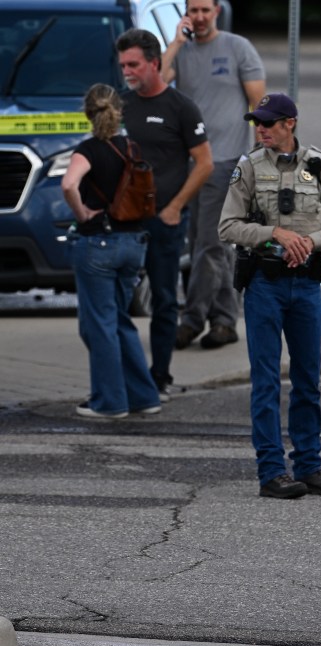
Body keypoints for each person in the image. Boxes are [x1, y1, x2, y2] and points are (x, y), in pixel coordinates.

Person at [218, 93, 321, 498]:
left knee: (308, 380)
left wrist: (310, 242)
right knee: (265, 382)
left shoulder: (318, 165)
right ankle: (271, 472)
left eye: (268, 122)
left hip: (307, 284)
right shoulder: (249, 167)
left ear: (289, 124)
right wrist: (274, 234)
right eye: (257, 123)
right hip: (265, 284)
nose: (260, 129)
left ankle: (309, 466)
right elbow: (227, 226)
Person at [161, 0, 266, 351]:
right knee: (204, 245)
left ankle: (192, 320)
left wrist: (258, 161)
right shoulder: (181, 50)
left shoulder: (238, 48)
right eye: (194, 10)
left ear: (217, 11)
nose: (200, 17)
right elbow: (156, 82)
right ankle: (223, 320)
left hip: (225, 162)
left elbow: (260, 106)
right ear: (186, 14)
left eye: (206, 10)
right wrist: (176, 43)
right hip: (187, 164)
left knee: (210, 244)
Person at [117, 28, 214, 401]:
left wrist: (175, 207)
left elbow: (204, 164)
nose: (127, 71)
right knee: (118, 300)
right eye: (123, 65)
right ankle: (125, 377)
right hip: (125, 221)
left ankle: (159, 377)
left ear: (154, 63)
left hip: (165, 220)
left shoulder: (180, 107)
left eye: (133, 65)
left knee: (163, 299)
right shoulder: (120, 106)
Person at [60, 84, 162, 419]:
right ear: (118, 111)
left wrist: (82, 214)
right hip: (133, 243)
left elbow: (69, 184)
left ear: (88, 113)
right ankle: (143, 396)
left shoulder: (87, 150)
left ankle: (109, 402)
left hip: (98, 244)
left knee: (99, 324)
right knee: (120, 320)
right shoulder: (131, 147)